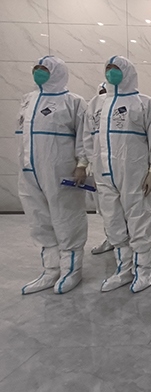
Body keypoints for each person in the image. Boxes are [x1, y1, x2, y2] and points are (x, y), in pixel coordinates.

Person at [85, 56, 151, 293]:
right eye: (108, 68)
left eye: (116, 68)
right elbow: (88, 138)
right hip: (104, 173)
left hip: (134, 172)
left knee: (139, 219)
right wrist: (88, 164)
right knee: (113, 221)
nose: (111, 72)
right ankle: (123, 269)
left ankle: (144, 270)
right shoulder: (96, 104)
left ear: (127, 72)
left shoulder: (144, 103)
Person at [18, 56, 88, 295]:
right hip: (29, 169)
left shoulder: (73, 102)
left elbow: (84, 136)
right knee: (39, 219)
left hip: (61, 170)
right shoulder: (28, 100)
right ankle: (50, 270)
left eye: (44, 69)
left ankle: (71, 269)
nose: (38, 72)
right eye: (36, 68)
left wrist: (82, 164)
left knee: (66, 217)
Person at [90, 82, 115, 255]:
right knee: (104, 207)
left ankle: (128, 241)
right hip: (98, 166)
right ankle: (111, 238)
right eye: (102, 92)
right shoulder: (93, 110)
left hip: (123, 167)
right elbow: (86, 138)